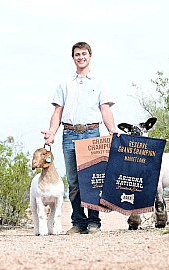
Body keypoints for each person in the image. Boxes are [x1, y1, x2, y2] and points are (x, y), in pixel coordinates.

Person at [42, 42, 119, 235]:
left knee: (93, 180)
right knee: (74, 181)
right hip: (69, 135)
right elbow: (57, 111)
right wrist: (52, 132)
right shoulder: (65, 83)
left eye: (84, 54)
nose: (81, 57)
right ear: (73, 58)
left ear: (90, 56)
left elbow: (105, 109)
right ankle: (78, 222)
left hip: (92, 133)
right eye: (77, 54)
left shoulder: (99, 82)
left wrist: (113, 131)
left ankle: (94, 221)